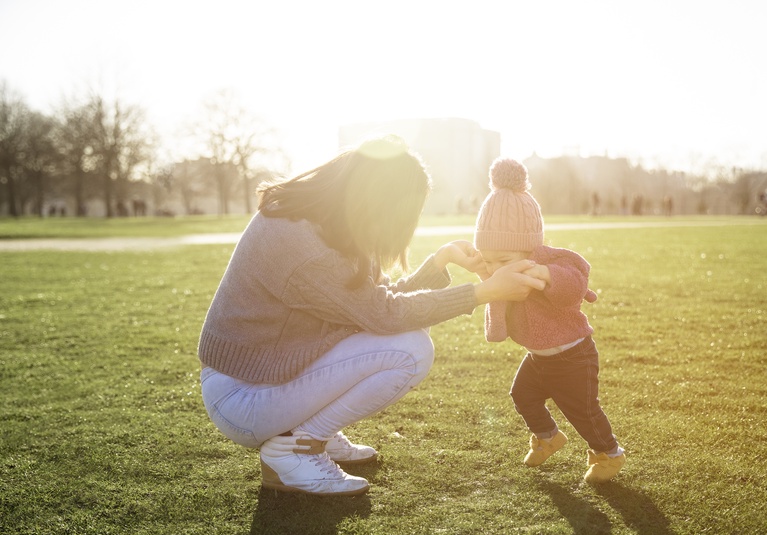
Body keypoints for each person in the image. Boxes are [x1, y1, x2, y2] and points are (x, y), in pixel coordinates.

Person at [198, 137, 545, 496]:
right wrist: (483, 292)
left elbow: (372, 306)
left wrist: (440, 261)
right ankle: (296, 447)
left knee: (404, 339)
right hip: (244, 398)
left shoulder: (327, 226)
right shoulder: (299, 240)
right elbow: (384, 316)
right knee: (411, 351)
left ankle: (311, 431)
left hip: (269, 380)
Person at [473, 158, 625, 484]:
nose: (497, 267)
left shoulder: (549, 261)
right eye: (489, 259)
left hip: (572, 355)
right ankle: (547, 437)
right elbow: (496, 323)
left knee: (583, 411)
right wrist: (487, 276)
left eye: (504, 259)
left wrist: (546, 275)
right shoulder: (501, 275)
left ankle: (609, 453)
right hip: (538, 357)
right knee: (522, 395)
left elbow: (575, 281)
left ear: (530, 249)